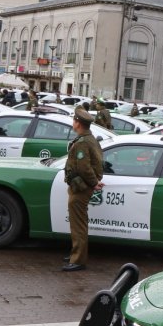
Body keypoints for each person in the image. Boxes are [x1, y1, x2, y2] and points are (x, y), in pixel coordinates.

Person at [63, 107, 104, 272]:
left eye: (74, 120)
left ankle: (78, 260)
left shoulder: (83, 142)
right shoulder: (89, 139)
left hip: (81, 188)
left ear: (78, 123)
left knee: (78, 225)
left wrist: (94, 183)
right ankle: (76, 253)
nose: (73, 123)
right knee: (78, 223)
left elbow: (84, 167)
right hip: (80, 186)